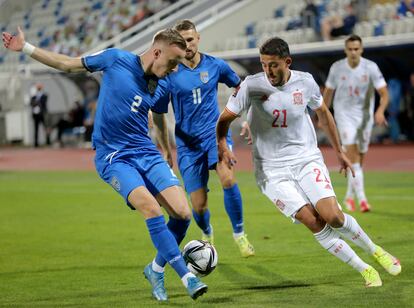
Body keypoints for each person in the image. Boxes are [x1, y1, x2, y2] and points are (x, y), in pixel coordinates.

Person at [2, 26, 208, 302]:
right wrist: (25, 48)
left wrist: (166, 148)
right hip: (113, 157)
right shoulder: (115, 59)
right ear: (157, 52)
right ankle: (187, 277)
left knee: (183, 214)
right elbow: (66, 63)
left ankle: (155, 269)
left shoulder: (163, 83)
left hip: (146, 152)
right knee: (150, 207)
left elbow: (159, 117)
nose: (173, 70)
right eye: (172, 63)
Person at [216, 37, 401, 288]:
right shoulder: (251, 85)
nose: (267, 71)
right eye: (263, 65)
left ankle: (375, 250)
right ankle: (364, 269)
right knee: (314, 221)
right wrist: (222, 145)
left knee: (333, 216)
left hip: (305, 159)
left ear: (287, 62)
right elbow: (224, 119)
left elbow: (323, 114)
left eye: (273, 65)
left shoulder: (305, 82)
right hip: (271, 171)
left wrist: (339, 151)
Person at [154, 20, 254, 257]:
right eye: (181, 41)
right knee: (198, 206)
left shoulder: (216, 65)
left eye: (190, 39)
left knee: (228, 179)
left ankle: (240, 235)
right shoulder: (169, 74)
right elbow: (158, 114)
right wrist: (167, 149)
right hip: (187, 146)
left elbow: (240, 87)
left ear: (198, 38)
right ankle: (207, 232)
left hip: (215, 137)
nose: (187, 45)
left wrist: (246, 117)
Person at [323, 35, 389, 212]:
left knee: (358, 158)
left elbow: (384, 93)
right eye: (350, 49)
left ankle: (348, 197)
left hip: (365, 118)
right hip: (344, 116)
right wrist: (323, 115)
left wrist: (380, 110)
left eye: (356, 49)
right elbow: (328, 92)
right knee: (353, 156)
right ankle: (363, 199)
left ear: (361, 49)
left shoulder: (370, 67)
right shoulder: (337, 68)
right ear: (346, 50)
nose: (353, 52)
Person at [30, 82, 51, 147]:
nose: (38, 88)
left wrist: (37, 100)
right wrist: (34, 98)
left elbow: (43, 103)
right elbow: (31, 104)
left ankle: (48, 141)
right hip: (36, 115)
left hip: (43, 114)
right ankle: (36, 143)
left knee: (45, 128)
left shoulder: (45, 95)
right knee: (36, 129)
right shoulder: (33, 96)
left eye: (40, 87)